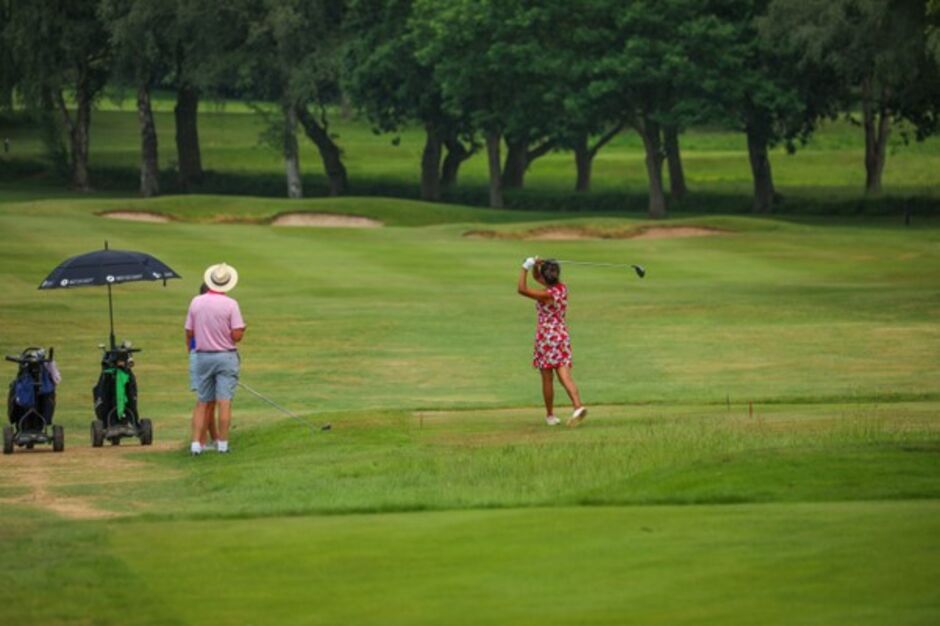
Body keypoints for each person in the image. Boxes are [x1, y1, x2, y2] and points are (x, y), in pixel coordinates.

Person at [517, 257, 587, 427]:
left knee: (547, 378)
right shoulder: (561, 289)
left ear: (546, 277)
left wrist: (525, 267)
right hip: (561, 336)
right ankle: (578, 406)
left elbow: (522, 289)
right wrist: (536, 265)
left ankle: (550, 415)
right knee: (564, 375)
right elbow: (537, 278)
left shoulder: (546, 295)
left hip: (547, 338)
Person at [185, 263, 246, 455]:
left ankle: (196, 445)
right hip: (225, 355)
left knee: (203, 402)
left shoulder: (196, 302)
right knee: (224, 401)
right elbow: (236, 335)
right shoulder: (231, 304)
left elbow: (189, 331)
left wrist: (192, 350)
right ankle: (223, 444)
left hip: (203, 356)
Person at [189, 283, 219, 449]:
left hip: (200, 355)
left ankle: (214, 438)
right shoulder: (202, 310)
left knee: (210, 402)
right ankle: (199, 441)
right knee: (204, 402)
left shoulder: (197, 307)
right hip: (203, 355)